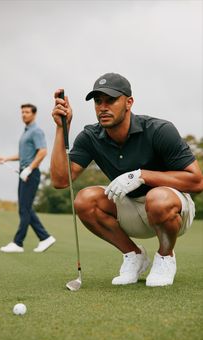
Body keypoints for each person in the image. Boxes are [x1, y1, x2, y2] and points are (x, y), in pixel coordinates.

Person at [50, 73, 203, 287]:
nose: (103, 107)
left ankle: (165, 256)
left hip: (171, 207)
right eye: (98, 101)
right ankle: (134, 255)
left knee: (157, 198)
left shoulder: (159, 130)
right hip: (130, 207)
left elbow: (197, 181)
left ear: (129, 102)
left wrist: (141, 175)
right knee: (84, 200)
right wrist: (61, 128)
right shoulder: (90, 136)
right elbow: (60, 180)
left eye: (111, 100)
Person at [0, 103, 56, 253]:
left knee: (24, 208)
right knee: (25, 208)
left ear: (33, 114)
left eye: (27, 112)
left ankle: (18, 243)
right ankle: (45, 237)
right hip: (24, 173)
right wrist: (5, 159)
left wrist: (29, 168)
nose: (24, 115)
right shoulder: (26, 132)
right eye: (22, 112)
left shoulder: (36, 131)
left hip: (30, 174)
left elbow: (42, 152)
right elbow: (23, 155)